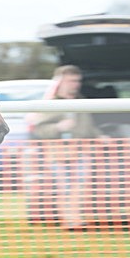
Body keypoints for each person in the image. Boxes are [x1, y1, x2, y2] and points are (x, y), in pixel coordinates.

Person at [28, 65, 104, 230]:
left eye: (77, 81)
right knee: (66, 186)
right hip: (59, 153)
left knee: (81, 185)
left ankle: (76, 219)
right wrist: (59, 128)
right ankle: (71, 221)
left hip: (83, 150)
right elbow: (39, 129)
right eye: (71, 81)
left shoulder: (81, 101)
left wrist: (99, 136)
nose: (75, 84)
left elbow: (88, 126)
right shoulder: (50, 104)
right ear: (60, 82)